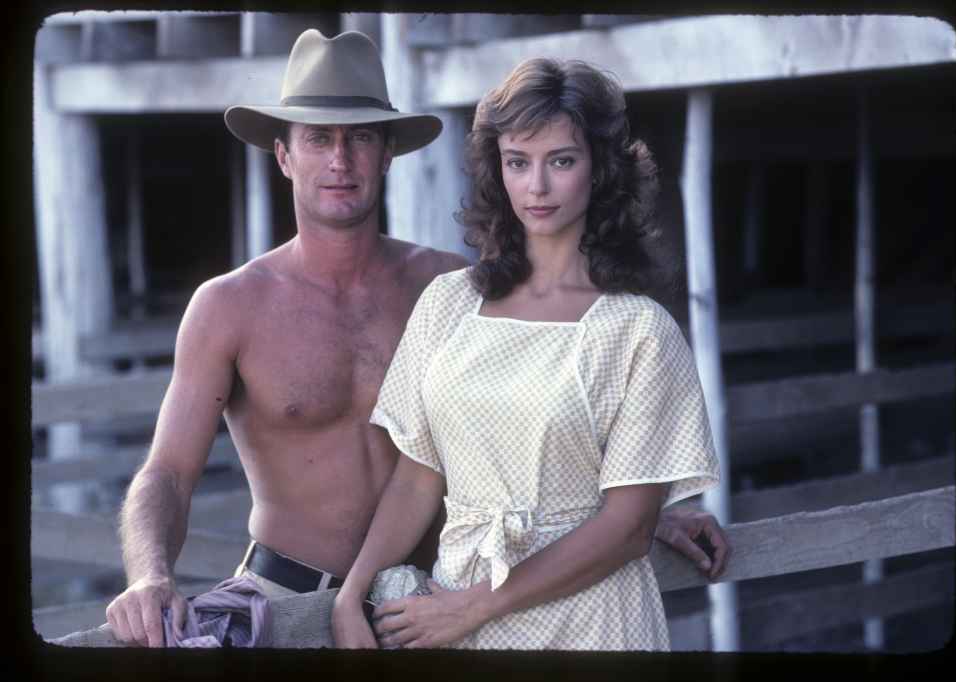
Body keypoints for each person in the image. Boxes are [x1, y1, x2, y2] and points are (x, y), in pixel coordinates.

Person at [104, 29, 729, 649]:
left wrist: (639, 512)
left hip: (428, 604)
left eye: (361, 138)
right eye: (318, 138)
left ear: (387, 154)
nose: (340, 161)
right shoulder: (228, 306)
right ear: (284, 155)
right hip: (288, 597)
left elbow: (521, 425)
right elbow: (167, 472)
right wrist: (149, 575)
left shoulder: (455, 289)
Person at [331, 57, 722, 651]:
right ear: (498, 170)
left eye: (561, 161)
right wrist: (352, 591)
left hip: (590, 621)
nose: (536, 186)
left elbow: (629, 527)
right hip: (454, 609)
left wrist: (473, 607)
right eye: (518, 162)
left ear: (600, 170)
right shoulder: (448, 303)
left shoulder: (639, 331)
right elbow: (418, 475)